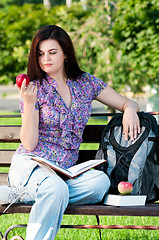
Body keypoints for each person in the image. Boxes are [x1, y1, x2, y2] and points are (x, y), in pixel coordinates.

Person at [1, 25, 140, 240]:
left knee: (99, 183)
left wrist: (130, 109)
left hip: (64, 174)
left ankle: (24, 195)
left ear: (66, 53)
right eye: (40, 54)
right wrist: (28, 104)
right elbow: (29, 144)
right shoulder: (34, 88)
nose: (45, 59)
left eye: (52, 52)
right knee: (54, 189)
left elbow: (125, 102)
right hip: (31, 165)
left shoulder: (86, 83)